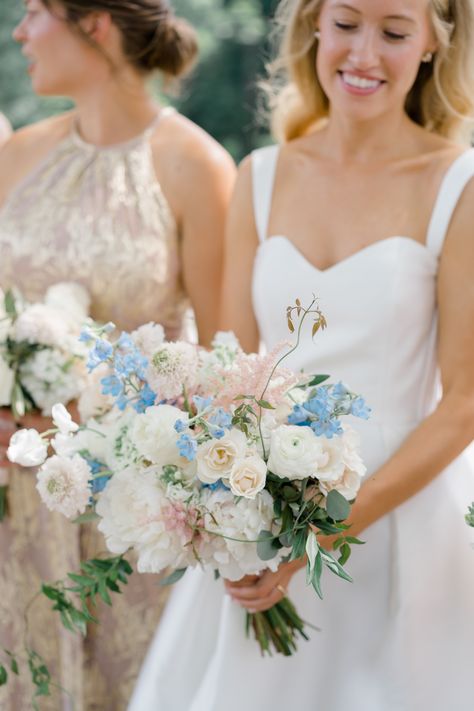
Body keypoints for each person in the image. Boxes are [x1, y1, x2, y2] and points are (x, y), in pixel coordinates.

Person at [128, 0, 474, 709]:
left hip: (399, 532)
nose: (363, 55)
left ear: (435, 44)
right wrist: (242, 518)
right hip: (261, 526)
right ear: (313, 25)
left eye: (395, 32)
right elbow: (231, 376)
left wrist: (321, 533)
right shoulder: (257, 176)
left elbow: (465, 401)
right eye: (345, 24)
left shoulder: (458, 185)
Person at [0, 1, 235, 709]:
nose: (19, 32)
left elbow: (225, 373)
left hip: (132, 515)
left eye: (36, 11)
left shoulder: (198, 165)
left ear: (93, 22)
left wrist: (81, 418)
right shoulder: (15, 156)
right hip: (16, 506)